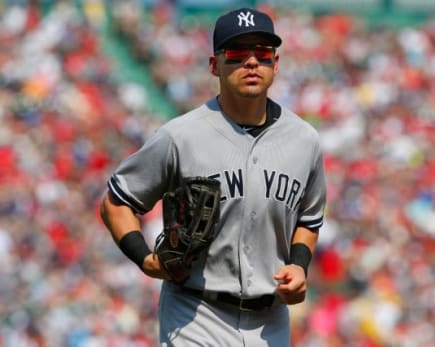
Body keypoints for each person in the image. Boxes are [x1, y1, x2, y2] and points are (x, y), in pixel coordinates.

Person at [100, 7, 326, 347]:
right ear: (214, 65)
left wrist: (299, 265)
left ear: (275, 65)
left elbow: (309, 218)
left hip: (271, 321)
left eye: (262, 53)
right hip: (195, 312)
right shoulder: (180, 136)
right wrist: (145, 259)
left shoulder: (304, 140)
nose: (251, 62)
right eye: (237, 53)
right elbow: (117, 202)